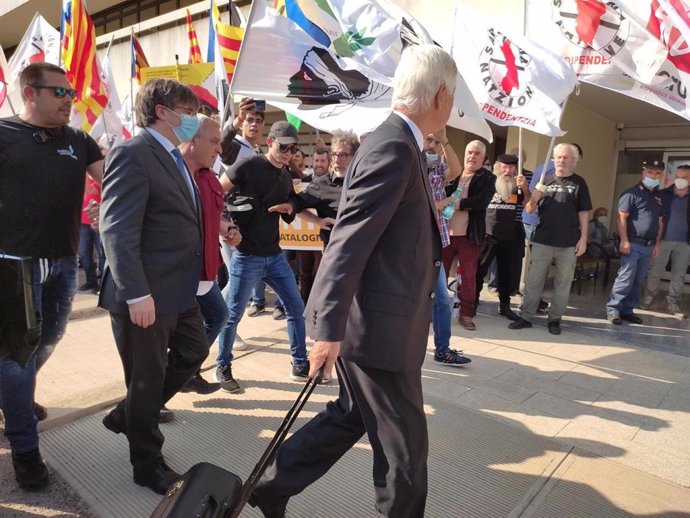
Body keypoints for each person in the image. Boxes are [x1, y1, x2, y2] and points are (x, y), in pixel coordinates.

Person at [248, 43, 456, 518]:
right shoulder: (393, 148)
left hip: (380, 322)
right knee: (404, 450)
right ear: (440, 95)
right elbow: (348, 241)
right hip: (378, 331)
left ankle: (272, 486)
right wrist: (327, 329)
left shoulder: (398, 144)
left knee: (350, 416)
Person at [99, 79, 209, 495]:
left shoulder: (171, 156)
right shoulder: (133, 153)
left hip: (177, 289)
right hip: (146, 293)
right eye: (188, 109)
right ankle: (147, 464)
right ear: (163, 111)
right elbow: (116, 229)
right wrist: (136, 293)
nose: (193, 119)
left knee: (194, 350)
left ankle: (130, 414)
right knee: (147, 378)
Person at [0, 62, 104, 491]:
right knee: (19, 358)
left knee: (51, 339)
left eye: (71, 93)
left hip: (63, 261)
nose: (70, 100)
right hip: (14, 265)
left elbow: (115, 180)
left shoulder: (79, 140)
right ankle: (25, 449)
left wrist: (110, 206)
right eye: (60, 92)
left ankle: (13, 396)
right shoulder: (3, 134)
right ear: (30, 93)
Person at [215, 121, 309, 393]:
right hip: (246, 256)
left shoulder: (285, 175)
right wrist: (225, 225)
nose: (287, 153)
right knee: (231, 315)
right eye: (283, 147)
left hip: (275, 255)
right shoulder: (248, 165)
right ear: (270, 142)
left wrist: (291, 205)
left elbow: (295, 201)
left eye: (292, 149)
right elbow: (215, 193)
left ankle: (299, 363)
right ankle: (223, 365)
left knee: (296, 308)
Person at [179, 115, 243, 394]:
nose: (219, 149)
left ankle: (185, 371)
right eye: (214, 141)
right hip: (178, 274)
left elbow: (213, 215)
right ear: (194, 140)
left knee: (218, 316)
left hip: (206, 271)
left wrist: (226, 227)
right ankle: (164, 389)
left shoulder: (209, 178)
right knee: (173, 336)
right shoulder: (172, 175)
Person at [509, 143, 592, 335]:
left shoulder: (579, 183)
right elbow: (529, 209)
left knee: (563, 283)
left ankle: (555, 319)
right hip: (543, 239)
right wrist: (535, 197)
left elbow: (583, 212)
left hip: (568, 242)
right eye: (558, 157)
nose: (562, 160)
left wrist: (583, 238)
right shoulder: (544, 180)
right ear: (553, 159)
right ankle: (526, 316)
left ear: (574, 160)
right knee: (534, 281)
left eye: (566, 157)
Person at [424, 130, 471, 367]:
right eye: (428, 140)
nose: (432, 146)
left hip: (433, 246)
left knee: (442, 300)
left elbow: (456, 169)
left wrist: (445, 141)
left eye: (434, 142)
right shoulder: (411, 167)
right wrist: (440, 203)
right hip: (413, 245)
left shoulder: (437, 169)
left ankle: (442, 350)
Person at [441, 140, 496, 330]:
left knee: (469, 277)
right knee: (439, 273)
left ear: (483, 158)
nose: (472, 156)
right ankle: (435, 309)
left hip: (469, 236)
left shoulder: (487, 178)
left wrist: (457, 204)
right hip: (446, 233)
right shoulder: (453, 173)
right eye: (469, 153)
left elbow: (482, 201)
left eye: (477, 154)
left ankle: (466, 314)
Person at [606, 161, 665, 324]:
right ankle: (614, 309)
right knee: (625, 278)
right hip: (632, 243)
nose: (653, 176)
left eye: (657, 173)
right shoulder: (631, 193)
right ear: (643, 173)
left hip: (649, 245)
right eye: (650, 172)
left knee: (639, 280)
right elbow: (621, 219)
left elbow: (660, 223)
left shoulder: (659, 197)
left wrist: (657, 244)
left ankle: (628, 310)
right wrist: (624, 240)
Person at [475, 154, 530, 322]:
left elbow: (528, 206)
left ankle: (505, 306)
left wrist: (526, 188)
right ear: (497, 167)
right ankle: (472, 302)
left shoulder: (517, 186)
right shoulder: (487, 182)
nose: (508, 170)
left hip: (508, 236)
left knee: (506, 274)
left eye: (512, 167)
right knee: (479, 271)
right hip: (487, 235)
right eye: (504, 167)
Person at [641, 164, 690, 315]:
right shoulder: (663, 194)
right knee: (655, 270)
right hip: (663, 240)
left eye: (685, 177)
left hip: (685, 243)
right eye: (678, 177)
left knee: (679, 274)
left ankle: (673, 303)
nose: (680, 180)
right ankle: (648, 298)